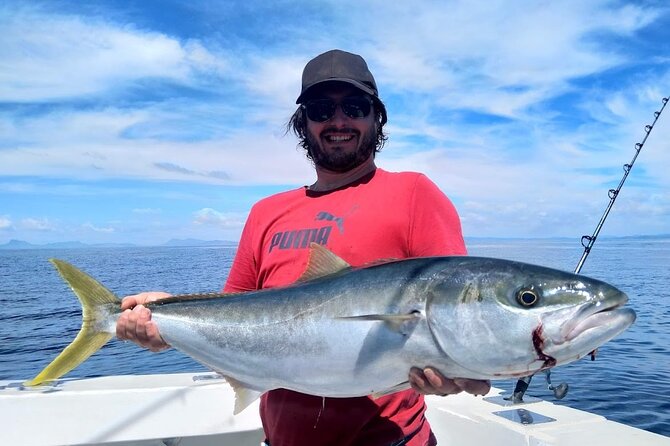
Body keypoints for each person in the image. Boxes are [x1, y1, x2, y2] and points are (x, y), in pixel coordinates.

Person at [117, 49, 491, 446]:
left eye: (354, 106)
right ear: (304, 123)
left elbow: (459, 311)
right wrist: (165, 318)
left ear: (376, 117)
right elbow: (234, 313)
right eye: (321, 109)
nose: (339, 121)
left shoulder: (414, 194)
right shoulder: (266, 212)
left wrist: (461, 368)